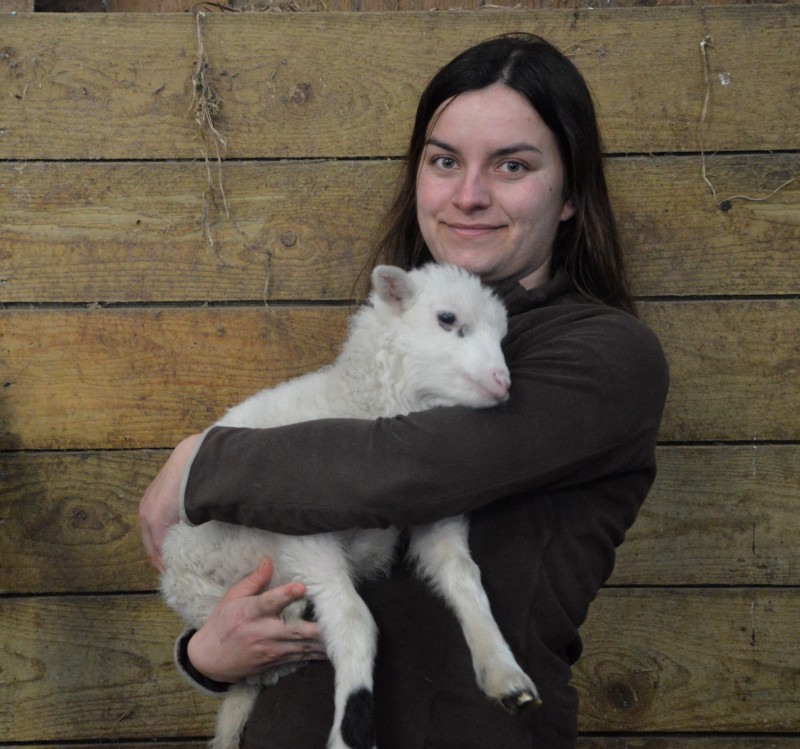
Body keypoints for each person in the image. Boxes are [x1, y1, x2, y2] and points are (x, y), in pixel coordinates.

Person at [139, 32, 669, 749]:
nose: (469, 195)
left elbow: (401, 468)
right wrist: (210, 652)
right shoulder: (404, 336)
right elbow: (296, 556)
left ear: (571, 193)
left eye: (512, 165)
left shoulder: (603, 357)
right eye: (444, 160)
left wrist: (202, 460)